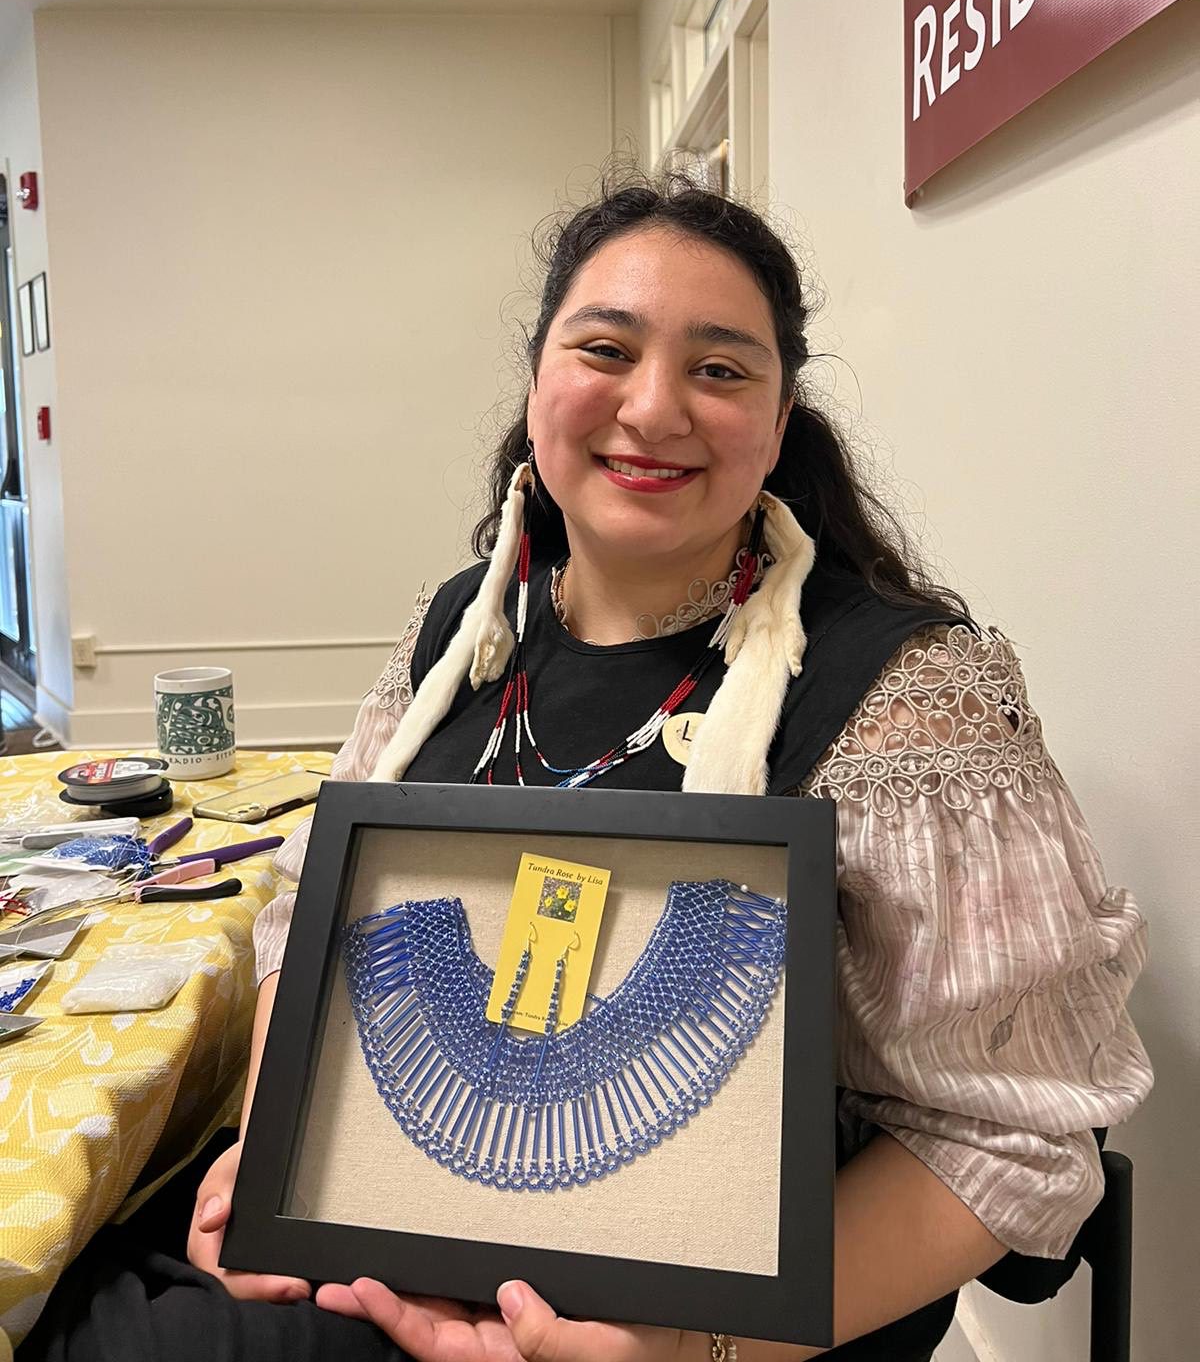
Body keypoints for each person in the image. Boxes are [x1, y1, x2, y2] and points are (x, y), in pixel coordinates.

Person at [25, 173, 1151, 1361]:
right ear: (538, 382)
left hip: (729, 1318)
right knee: (75, 1278)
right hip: (396, 1226)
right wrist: (281, 1147)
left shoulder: (913, 697)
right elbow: (315, 912)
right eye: (605, 347)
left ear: (778, 424)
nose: (654, 406)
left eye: (720, 369)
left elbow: (1002, 1141)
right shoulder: (464, 625)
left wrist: (691, 1349)